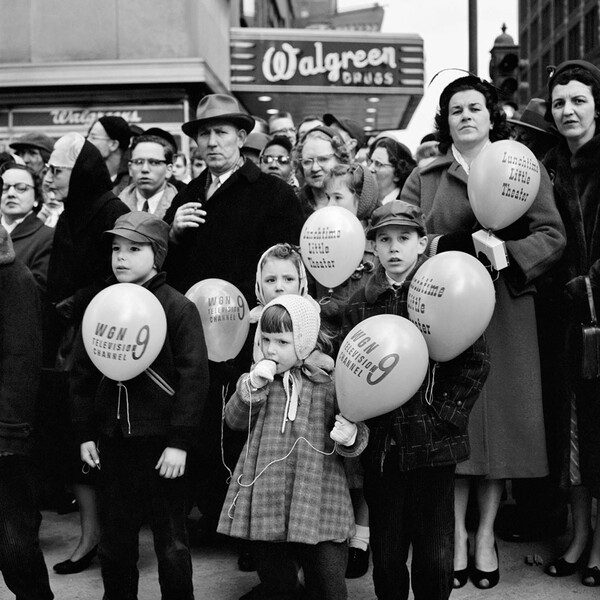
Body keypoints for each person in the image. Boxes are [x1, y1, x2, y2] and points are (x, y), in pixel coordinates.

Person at [400, 75, 566, 590]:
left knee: (503, 428)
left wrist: (509, 254)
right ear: (444, 121)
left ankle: (486, 535)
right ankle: (454, 533)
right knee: (457, 426)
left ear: (492, 115)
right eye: (455, 110)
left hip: (509, 311)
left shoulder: (522, 166)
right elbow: (403, 236)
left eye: (475, 107)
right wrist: (442, 247)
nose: (466, 116)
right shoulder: (426, 177)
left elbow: (553, 235)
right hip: (447, 309)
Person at [164, 93, 304, 548]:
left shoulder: (274, 194)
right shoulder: (186, 194)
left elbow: (288, 269)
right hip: (193, 334)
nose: (211, 141)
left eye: (221, 132)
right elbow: (164, 265)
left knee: (245, 428)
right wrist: (173, 232)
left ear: (242, 138)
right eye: (203, 133)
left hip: (251, 334)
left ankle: (250, 535)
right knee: (202, 421)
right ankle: (211, 516)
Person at [342, 200, 489, 600]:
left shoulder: (442, 295)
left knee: (436, 553)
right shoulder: (360, 303)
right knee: (388, 554)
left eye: (404, 238)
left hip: (434, 447)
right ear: (372, 247)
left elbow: (475, 362)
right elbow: (351, 364)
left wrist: (445, 417)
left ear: (421, 243)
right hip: (383, 448)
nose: (393, 248)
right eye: (384, 239)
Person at [70, 211, 209, 599]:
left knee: (172, 546)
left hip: (162, 445)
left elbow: (194, 378)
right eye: (116, 248)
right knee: (115, 544)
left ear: (158, 254)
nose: (121, 257)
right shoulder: (101, 304)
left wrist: (180, 441)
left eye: (134, 249)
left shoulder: (178, 307)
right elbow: (81, 373)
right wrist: (85, 432)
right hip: (113, 442)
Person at [218, 294, 368, 600]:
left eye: (282, 342)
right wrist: (251, 388)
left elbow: (359, 433)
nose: (271, 349)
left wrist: (351, 436)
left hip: (320, 495)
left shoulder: (330, 382)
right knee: (277, 581)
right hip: (268, 495)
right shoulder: (260, 379)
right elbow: (232, 420)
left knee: (328, 583)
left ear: (303, 342)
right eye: (266, 339)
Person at [45, 132, 129, 575]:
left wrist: (74, 302)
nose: (49, 177)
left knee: (99, 441)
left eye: (57, 170)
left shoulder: (111, 211)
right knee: (75, 439)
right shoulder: (71, 212)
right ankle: (90, 535)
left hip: (102, 342)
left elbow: (121, 274)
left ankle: (108, 538)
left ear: (78, 173)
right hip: (69, 344)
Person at [541, 59, 600, 587]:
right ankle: (579, 537)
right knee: (573, 436)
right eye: (559, 102)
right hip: (564, 323)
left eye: (578, 100)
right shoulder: (547, 165)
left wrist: (589, 285)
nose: (568, 110)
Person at [496, 98, 565, 545]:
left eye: (526, 134)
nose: (518, 139)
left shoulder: (542, 173)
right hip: (532, 297)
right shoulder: (517, 171)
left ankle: (544, 512)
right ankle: (530, 507)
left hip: (554, 298)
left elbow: (551, 235)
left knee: (549, 410)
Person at [0, 222, 54, 600]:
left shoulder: (13, 278)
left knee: (14, 544)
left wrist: (8, 431)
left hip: (4, 435)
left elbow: (21, 360)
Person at [0, 162, 54, 295]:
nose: (11, 194)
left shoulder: (48, 237)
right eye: (4, 188)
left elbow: (36, 291)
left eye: (21, 188)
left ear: (36, 197)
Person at [294, 125, 351, 217]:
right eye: (307, 161)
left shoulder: (357, 202)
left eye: (323, 159)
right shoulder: (292, 205)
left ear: (341, 159)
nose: (315, 168)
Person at [119, 134, 178, 220]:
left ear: (169, 170)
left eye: (154, 162)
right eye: (138, 162)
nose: (145, 169)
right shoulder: (116, 208)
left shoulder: (180, 208)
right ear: (130, 169)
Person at [86, 116, 132, 196]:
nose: (86, 142)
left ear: (113, 144)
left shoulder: (132, 182)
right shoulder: (86, 178)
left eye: (93, 137)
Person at [368, 137, 416, 205]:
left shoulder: (405, 207)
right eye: (371, 162)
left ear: (397, 174)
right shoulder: (365, 201)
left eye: (378, 164)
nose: (370, 168)